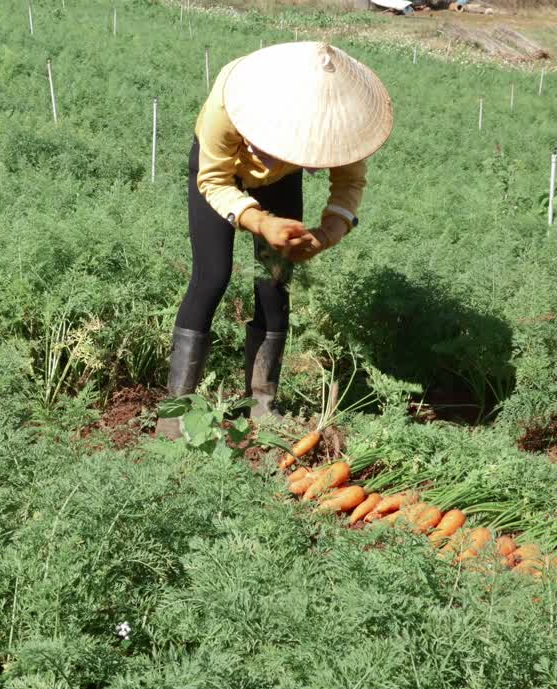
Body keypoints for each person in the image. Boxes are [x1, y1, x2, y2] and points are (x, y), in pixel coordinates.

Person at [157, 41, 393, 439]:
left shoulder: (339, 118)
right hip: (222, 173)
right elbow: (213, 180)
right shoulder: (229, 101)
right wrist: (261, 222)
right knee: (212, 276)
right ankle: (174, 413)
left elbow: (350, 182)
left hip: (282, 182)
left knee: (274, 281)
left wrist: (328, 233)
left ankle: (262, 404)